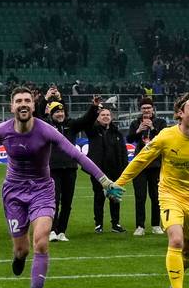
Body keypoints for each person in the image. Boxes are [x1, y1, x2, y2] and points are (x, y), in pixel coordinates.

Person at [0, 87, 123, 288]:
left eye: (27, 100)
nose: (23, 104)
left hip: (42, 190)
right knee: (21, 249)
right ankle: (18, 257)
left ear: (34, 106)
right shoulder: (2, 130)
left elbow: (77, 155)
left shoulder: (46, 130)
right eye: (18, 101)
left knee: (42, 243)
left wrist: (105, 181)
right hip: (14, 193)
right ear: (11, 106)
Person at [113, 93, 189, 288]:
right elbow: (141, 160)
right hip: (170, 194)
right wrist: (119, 182)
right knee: (176, 239)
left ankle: (176, 281)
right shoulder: (165, 137)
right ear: (180, 114)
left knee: (188, 251)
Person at [43, 97, 100, 242]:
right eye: (57, 112)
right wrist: (44, 101)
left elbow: (86, 120)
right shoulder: (47, 126)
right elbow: (36, 117)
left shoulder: (71, 125)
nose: (60, 114)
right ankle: (52, 231)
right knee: (53, 201)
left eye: (62, 111)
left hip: (70, 168)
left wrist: (93, 108)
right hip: (53, 169)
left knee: (67, 202)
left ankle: (62, 231)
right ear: (51, 114)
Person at [127, 97, 167, 236]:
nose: (146, 111)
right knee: (140, 196)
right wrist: (138, 130)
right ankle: (140, 226)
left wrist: (153, 128)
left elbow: (164, 138)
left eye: (149, 108)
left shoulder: (161, 122)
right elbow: (129, 139)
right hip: (140, 164)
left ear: (153, 109)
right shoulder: (135, 123)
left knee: (156, 196)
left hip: (156, 164)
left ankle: (156, 225)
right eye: (144, 108)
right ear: (140, 110)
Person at [85, 105, 128, 233]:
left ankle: (116, 224)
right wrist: (93, 109)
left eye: (107, 115)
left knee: (115, 197)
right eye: (102, 115)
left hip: (115, 171)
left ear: (111, 117)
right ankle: (98, 224)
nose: (105, 117)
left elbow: (123, 152)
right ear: (98, 118)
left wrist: (124, 169)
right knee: (99, 197)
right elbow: (87, 122)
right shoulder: (92, 131)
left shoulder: (117, 133)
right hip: (98, 172)